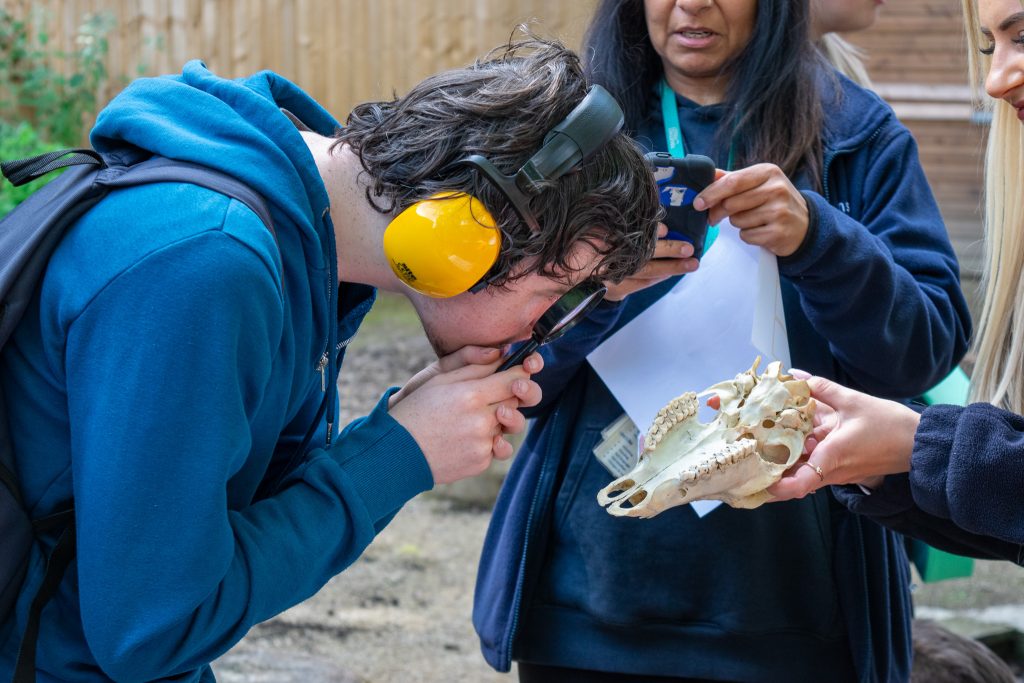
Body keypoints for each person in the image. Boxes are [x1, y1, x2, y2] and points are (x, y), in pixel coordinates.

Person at [0, 37, 662, 680]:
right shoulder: (205, 265)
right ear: (468, 235)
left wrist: (401, 434)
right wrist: (396, 454)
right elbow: (152, 629)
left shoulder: (301, 247)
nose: (539, 329)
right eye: (553, 295)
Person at [472, 1, 972, 682]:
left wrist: (820, 240)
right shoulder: (567, 137)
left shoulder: (857, 133)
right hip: (588, 612)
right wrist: (597, 287)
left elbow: (924, 350)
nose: (691, 3)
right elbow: (496, 366)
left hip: (798, 614)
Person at [767, 0, 1024, 565]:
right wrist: (893, 466)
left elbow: (928, 347)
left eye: (1022, 37)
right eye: (989, 47)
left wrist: (919, 446)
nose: (995, 81)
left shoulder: (865, 130)